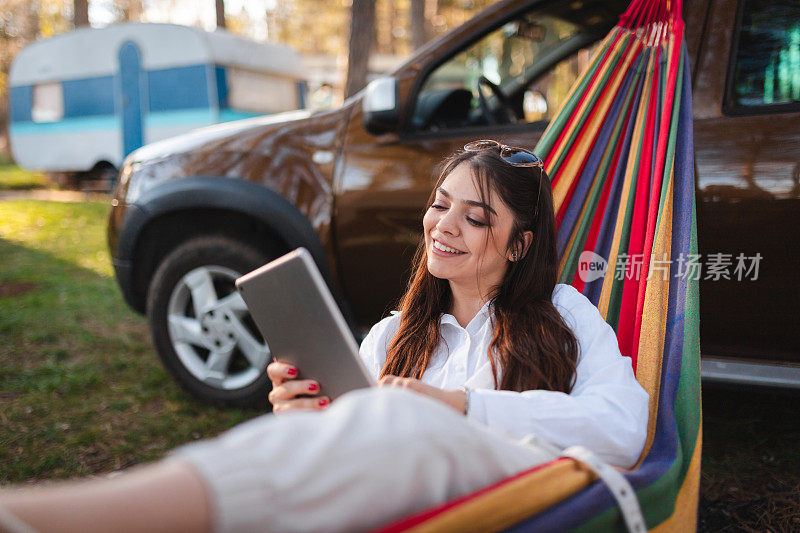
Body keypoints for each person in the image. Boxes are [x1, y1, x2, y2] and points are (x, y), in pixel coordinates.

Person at [0, 141, 649, 533]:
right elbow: (349, 453)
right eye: (439, 203)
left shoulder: (563, 311)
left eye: (475, 217)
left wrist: (457, 406)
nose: (443, 225)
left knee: (400, 417)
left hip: (527, 495)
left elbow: (623, 428)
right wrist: (305, 416)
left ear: (519, 244)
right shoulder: (395, 335)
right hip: (403, 505)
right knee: (348, 427)